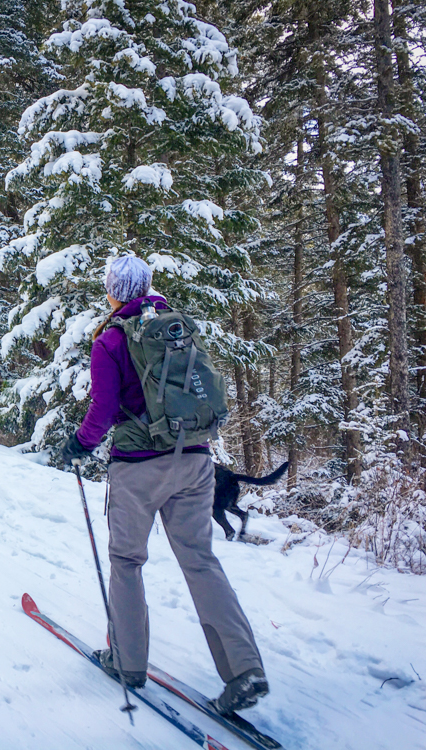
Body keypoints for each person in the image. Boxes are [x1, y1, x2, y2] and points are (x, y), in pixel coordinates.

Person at [60, 256, 268, 714]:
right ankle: (244, 669)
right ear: (150, 287)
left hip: (138, 468)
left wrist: (78, 444)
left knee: (127, 561)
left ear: (113, 291)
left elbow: (103, 410)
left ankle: (128, 664)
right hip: (195, 462)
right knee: (201, 561)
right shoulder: (179, 328)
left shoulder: (111, 340)